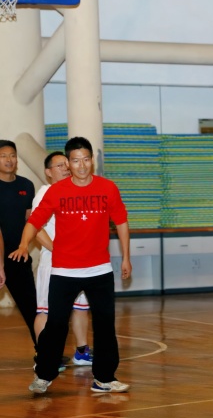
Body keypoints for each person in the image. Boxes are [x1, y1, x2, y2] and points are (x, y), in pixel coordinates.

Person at [9, 137, 132, 394]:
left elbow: (121, 222)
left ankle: (104, 378)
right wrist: (23, 244)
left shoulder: (108, 188)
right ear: (68, 163)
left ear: (92, 160)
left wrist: (126, 257)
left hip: (100, 270)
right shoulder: (56, 191)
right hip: (64, 271)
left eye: (86, 159)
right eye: (76, 161)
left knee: (105, 325)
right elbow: (34, 221)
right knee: (55, 325)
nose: (82, 165)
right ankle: (44, 374)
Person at [32, 151, 93, 366]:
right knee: (46, 310)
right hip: (53, 261)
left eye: (67, 164)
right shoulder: (45, 192)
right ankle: (45, 357)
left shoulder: (75, 191)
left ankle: (82, 352)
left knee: (80, 307)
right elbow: (35, 227)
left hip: (79, 262)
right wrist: (57, 250)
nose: (66, 169)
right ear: (48, 172)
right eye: (59, 166)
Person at [0, 140, 38, 348]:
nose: (9, 160)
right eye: (3, 156)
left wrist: (23, 246)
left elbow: (30, 222)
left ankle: (45, 354)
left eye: (12, 155)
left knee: (32, 308)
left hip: (18, 256)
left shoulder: (26, 185)